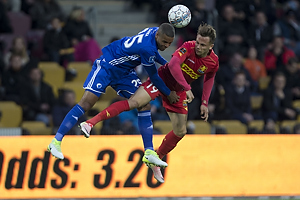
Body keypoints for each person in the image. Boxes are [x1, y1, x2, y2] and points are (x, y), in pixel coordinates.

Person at [79, 23, 219, 183]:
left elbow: (210, 77)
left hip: (178, 92)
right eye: (198, 42)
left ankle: (155, 159)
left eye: (202, 45)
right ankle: (90, 123)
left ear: (210, 46)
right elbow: (173, 65)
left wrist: (205, 102)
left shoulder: (213, 61)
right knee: (134, 102)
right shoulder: (188, 46)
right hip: (162, 80)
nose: (198, 47)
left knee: (181, 131)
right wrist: (186, 86)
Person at [47, 23, 179, 168]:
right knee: (86, 103)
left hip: (124, 72)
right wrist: (168, 93)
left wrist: (168, 64)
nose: (166, 45)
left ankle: (148, 152)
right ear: (157, 36)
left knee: (144, 103)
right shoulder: (147, 48)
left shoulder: (154, 32)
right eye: (164, 42)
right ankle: (56, 142)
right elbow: (154, 76)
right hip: (108, 66)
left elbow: (155, 55)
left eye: (169, 43)